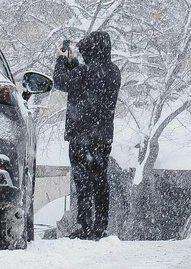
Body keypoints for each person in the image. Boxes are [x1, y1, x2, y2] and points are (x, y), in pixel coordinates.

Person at [53, 31, 121, 240]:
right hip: (103, 137)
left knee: (82, 182)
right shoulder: (113, 72)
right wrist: (73, 64)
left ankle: (85, 225)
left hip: (80, 136)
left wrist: (61, 60)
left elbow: (61, 81)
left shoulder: (85, 72)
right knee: (100, 181)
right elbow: (85, 81)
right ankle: (100, 225)